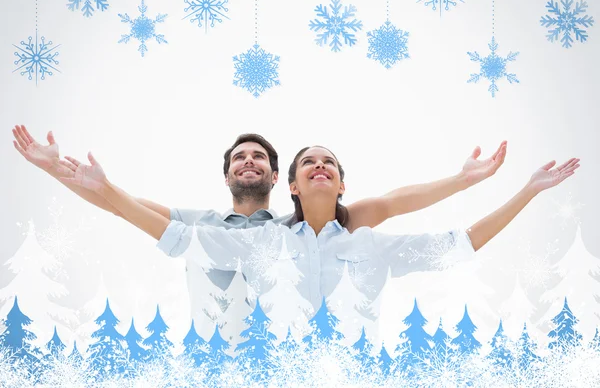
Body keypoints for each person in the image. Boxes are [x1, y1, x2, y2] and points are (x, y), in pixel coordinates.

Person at [55, 144, 580, 344]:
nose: (321, 167)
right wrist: (101, 189)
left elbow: (461, 243)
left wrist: (526, 191)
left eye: (329, 162)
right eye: (310, 163)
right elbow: (171, 233)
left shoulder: (369, 242)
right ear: (293, 185)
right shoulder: (262, 242)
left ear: (343, 182)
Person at [12, 125, 507, 330]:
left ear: (278, 179)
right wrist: (52, 169)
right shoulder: (200, 225)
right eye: (238, 157)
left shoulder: (298, 230)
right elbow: (117, 203)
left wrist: (464, 180)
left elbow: (395, 203)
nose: (247, 162)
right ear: (226, 174)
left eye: (259, 158)